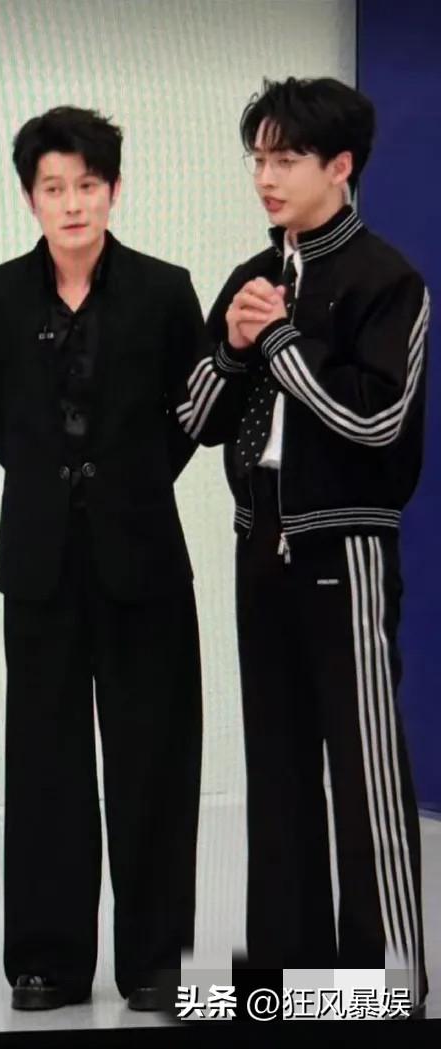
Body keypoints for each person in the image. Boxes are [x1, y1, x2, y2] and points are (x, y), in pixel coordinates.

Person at [176, 77, 429, 1015]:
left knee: (364, 772)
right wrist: (236, 349)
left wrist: (279, 342)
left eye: (286, 159)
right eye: (258, 158)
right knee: (277, 772)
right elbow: (195, 419)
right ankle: (287, 981)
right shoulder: (252, 274)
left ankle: (386, 984)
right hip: (261, 544)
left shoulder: (389, 280)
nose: (266, 177)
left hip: (346, 552)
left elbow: (376, 419)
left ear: (340, 166)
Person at [0, 106, 204, 1012]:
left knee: (154, 759)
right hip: (40, 561)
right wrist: (56, 485)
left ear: (114, 189)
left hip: (143, 557)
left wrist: (121, 485)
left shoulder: (166, 291)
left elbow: (187, 417)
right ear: (30, 196)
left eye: (88, 185)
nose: (72, 204)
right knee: (46, 761)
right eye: (54, 188)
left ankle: (153, 961)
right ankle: (47, 960)